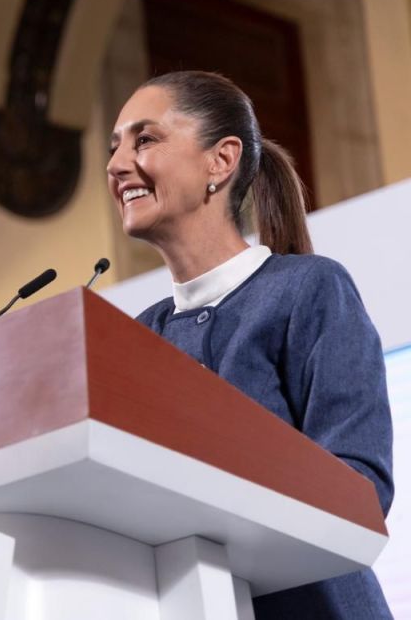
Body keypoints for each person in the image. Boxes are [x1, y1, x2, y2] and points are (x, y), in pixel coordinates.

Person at [106, 70, 394, 619]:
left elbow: (360, 489)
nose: (117, 164)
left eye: (144, 139)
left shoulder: (310, 289)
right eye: (115, 145)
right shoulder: (139, 336)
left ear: (221, 160)